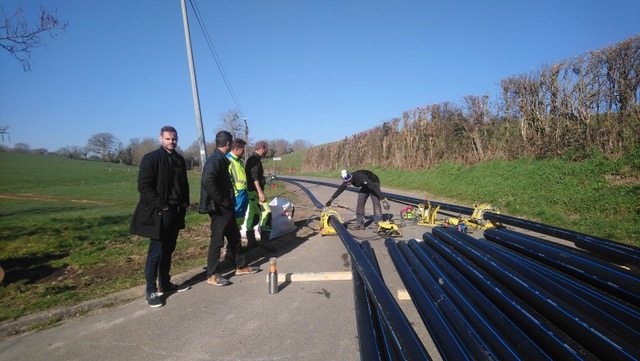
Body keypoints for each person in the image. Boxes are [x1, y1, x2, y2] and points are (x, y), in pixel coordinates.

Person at [130, 126, 190, 308]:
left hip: (176, 211)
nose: (171, 142)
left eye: (174, 139)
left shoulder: (179, 159)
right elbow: (144, 187)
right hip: (159, 212)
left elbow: (184, 185)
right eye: (168, 139)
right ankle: (151, 290)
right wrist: (162, 205)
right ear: (161, 139)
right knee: (155, 252)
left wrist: (184, 205)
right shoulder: (151, 158)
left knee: (168, 250)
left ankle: (165, 284)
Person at [199, 131, 259, 287]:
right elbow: (207, 181)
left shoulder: (220, 159)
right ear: (228, 144)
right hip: (219, 209)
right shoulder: (215, 160)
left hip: (227, 207)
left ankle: (240, 266)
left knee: (234, 237)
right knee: (217, 242)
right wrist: (221, 200)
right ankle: (212, 275)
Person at [325, 169, 390, 230]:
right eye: (346, 182)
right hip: (364, 186)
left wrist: (383, 200)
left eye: (348, 182)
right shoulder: (347, 180)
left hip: (373, 182)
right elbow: (341, 189)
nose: (347, 184)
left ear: (351, 178)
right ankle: (360, 223)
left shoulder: (361, 177)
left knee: (375, 201)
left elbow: (373, 187)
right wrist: (331, 199)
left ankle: (378, 222)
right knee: (360, 201)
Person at [245, 140, 274, 251]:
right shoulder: (254, 160)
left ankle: (251, 242)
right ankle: (265, 243)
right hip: (255, 193)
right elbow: (254, 178)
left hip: (251, 193)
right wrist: (260, 192)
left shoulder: (253, 159)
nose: (267, 152)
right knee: (267, 213)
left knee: (253, 215)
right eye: (266, 150)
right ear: (262, 148)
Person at [227, 138, 248, 230]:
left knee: (243, 213)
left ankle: (241, 231)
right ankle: (235, 232)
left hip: (243, 191)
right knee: (237, 214)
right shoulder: (228, 160)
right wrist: (235, 193)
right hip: (237, 193)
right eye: (242, 149)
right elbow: (228, 179)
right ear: (236, 149)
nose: (243, 151)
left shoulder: (239, 160)